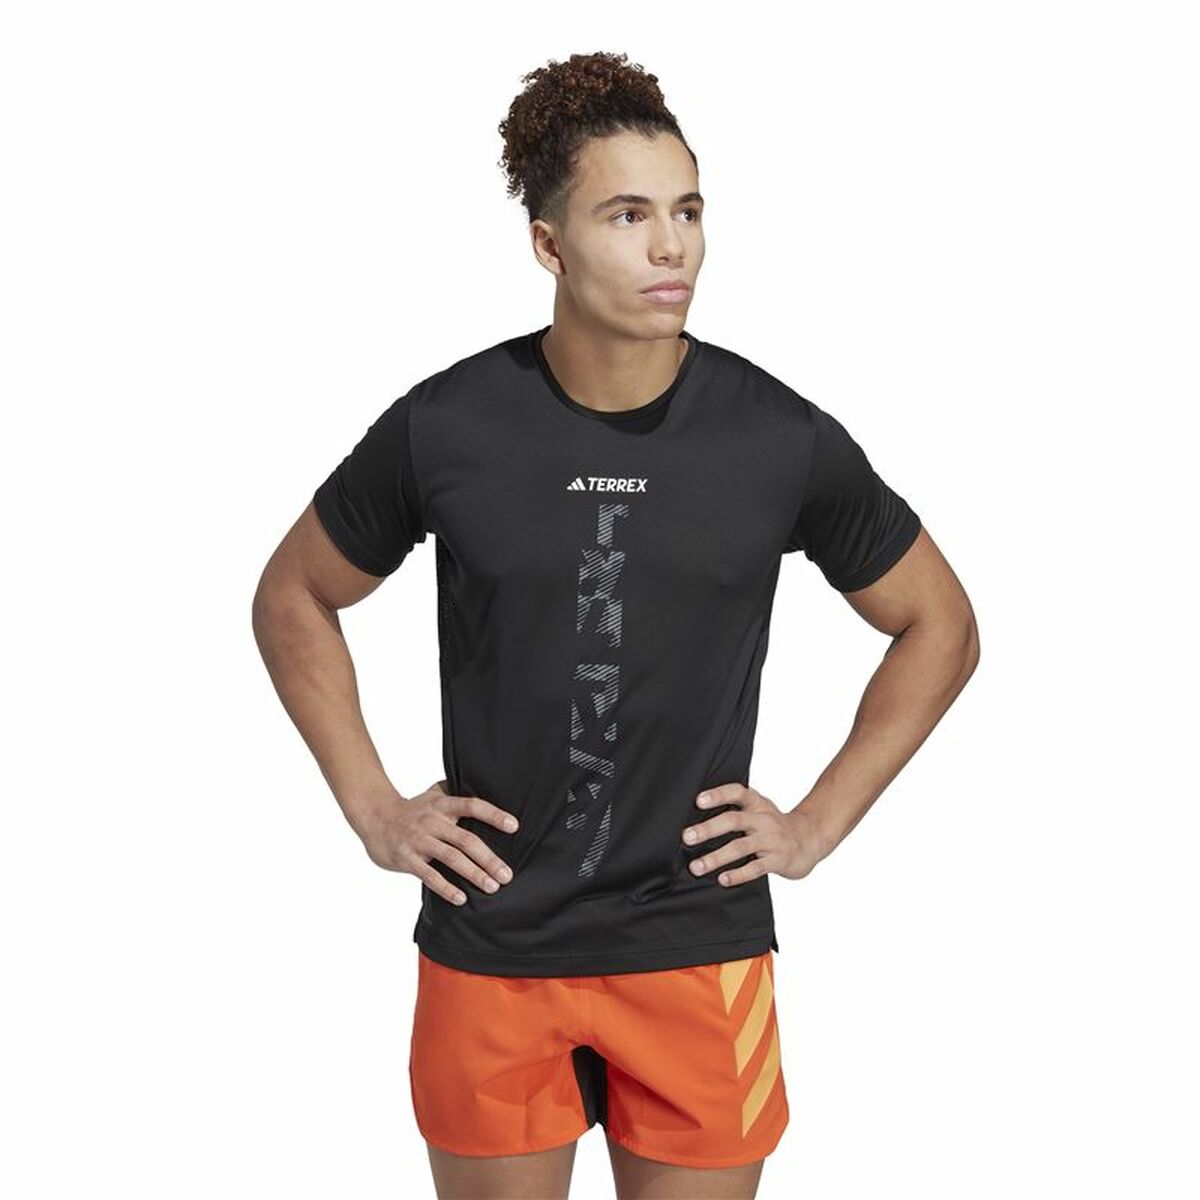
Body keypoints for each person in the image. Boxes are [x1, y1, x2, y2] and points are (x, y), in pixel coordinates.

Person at [252, 49, 979, 1200]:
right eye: (628, 215)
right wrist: (374, 808)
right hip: (494, 947)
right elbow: (295, 592)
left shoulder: (777, 438)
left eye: (688, 210)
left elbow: (938, 623)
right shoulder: (448, 427)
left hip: (696, 947)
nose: (671, 245)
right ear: (549, 245)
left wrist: (815, 824)